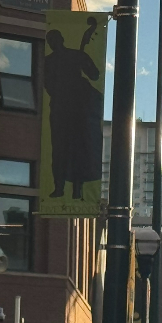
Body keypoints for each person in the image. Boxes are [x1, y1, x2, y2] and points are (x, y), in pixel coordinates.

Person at [43, 24, 103, 200]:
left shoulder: (74, 55)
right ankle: (60, 187)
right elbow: (47, 85)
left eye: (54, 40)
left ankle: (75, 189)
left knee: (76, 147)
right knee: (61, 147)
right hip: (64, 107)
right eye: (50, 41)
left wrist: (83, 63)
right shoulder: (51, 60)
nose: (53, 43)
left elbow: (94, 74)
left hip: (74, 107)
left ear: (60, 39)